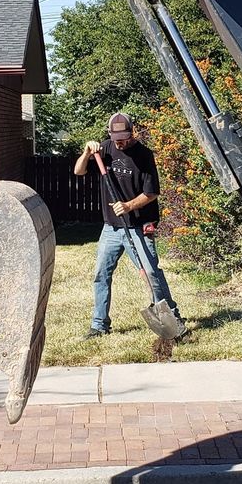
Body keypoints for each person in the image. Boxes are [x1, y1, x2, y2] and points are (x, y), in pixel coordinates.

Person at [74, 112, 185, 338]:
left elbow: (151, 193)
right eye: (116, 138)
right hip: (111, 228)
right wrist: (86, 153)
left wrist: (128, 206)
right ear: (110, 134)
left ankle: (172, 317)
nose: (119, 142)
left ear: (132, 132)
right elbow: (79, 171)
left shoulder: (143, 155)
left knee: (151, 273)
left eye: (123, 137)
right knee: (101, 275)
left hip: (139, 227)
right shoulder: (103, 150)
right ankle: (99, 325)